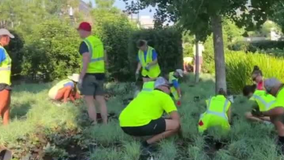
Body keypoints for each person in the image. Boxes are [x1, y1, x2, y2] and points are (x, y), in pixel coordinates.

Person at [119, 77, 180, 153]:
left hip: (124, 125)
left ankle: (136, 141)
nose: (170, 90)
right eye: (168, 87)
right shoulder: (165, 97)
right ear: (162, 87)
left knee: (148, 122)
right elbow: (176, 120)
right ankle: (146, 143)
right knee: (175, 125)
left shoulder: (143, 94)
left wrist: (166, 118)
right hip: (141, 125)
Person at [77, 22, 108, 124]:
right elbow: (105, 57)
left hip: (90, 75)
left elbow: (86, 60)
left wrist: (81, 78)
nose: (78, 33)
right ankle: (105, 122)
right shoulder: (98, 41)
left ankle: (94, 123)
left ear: (83, 30)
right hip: (100, 74)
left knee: (89, 101)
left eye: (79, 30)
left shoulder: (85, 43)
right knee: (101, 100)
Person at [254, 78, 284, 152]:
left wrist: (263, 113)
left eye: (270, 92)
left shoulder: (282, 92)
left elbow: (280, 110)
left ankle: (282, 145)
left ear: (274, 88)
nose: (271, 94)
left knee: (278, 117)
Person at [0, 29, 14, 125]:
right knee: (3, 104)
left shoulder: (2, 49)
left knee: (7, 104)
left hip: (6, 82)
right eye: (8, 37)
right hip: (2, 82)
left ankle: (6, 125)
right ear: (3, 37)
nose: (9, 40)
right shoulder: (0, 50)